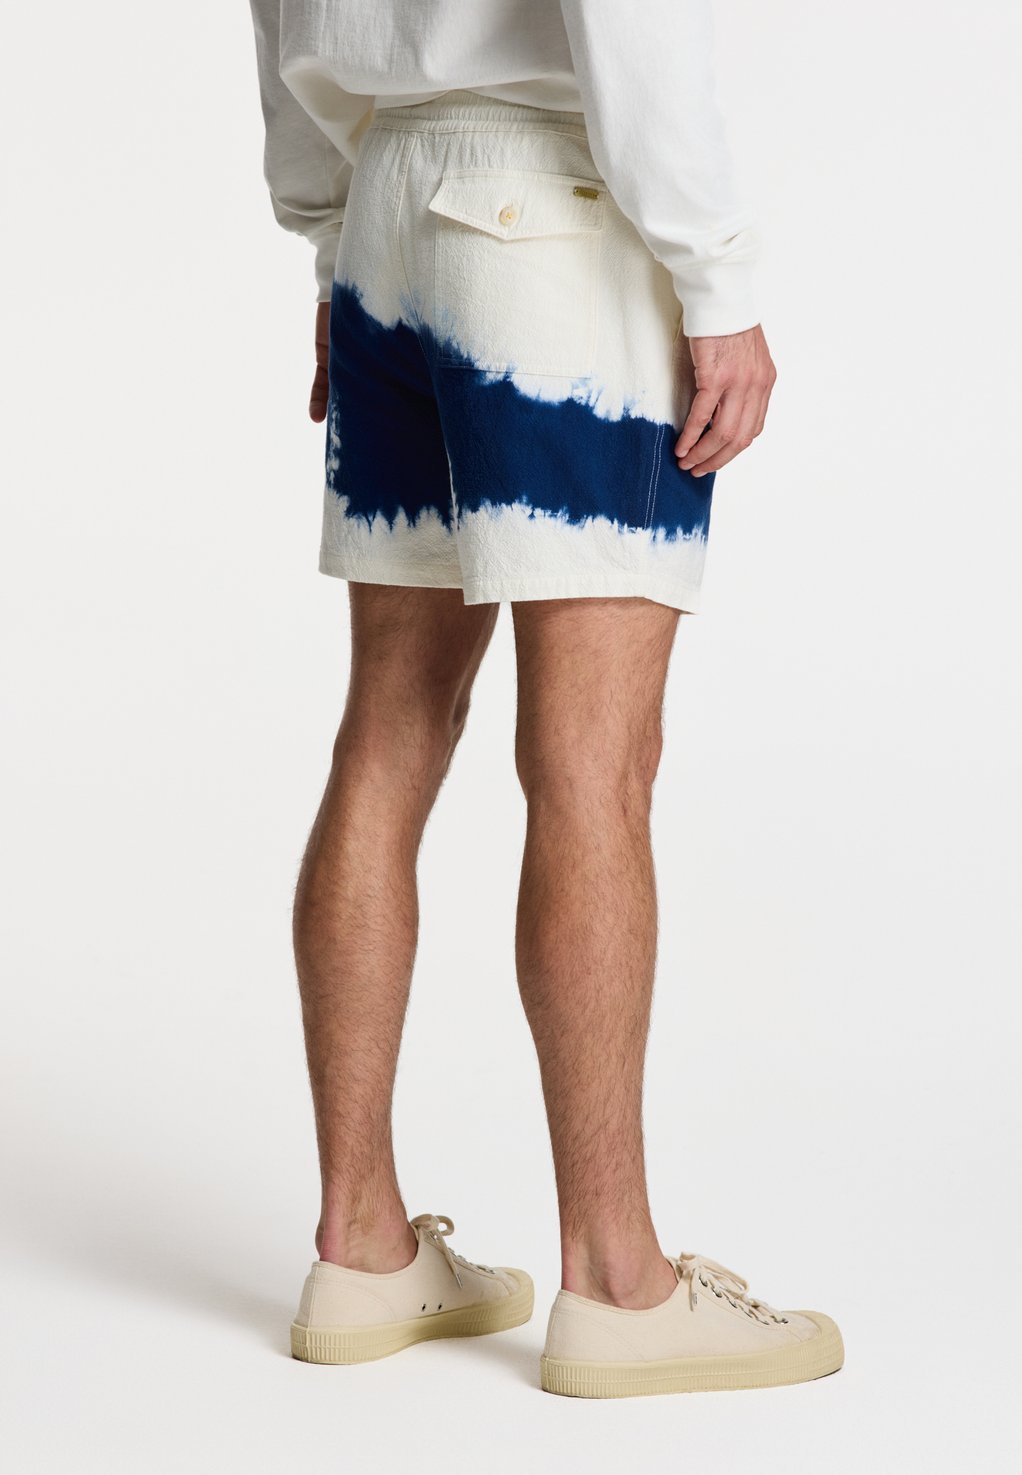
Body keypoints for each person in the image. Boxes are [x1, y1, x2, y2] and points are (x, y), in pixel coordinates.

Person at [248, 0, 843, 1398]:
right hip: (551, 221)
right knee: (592, 764)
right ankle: (619, 1283)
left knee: (386, 735)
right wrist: (717, 280)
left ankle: (360, 1247)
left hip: (385, 216)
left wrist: (334, 242)